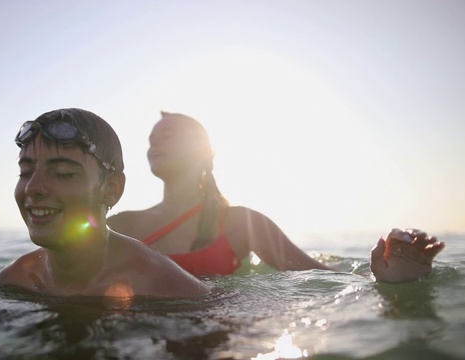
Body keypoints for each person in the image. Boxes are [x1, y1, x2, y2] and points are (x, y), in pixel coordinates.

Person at [0, 108, 210, 298]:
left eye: (62, 173)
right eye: (25, 171)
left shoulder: (163, 285)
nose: (33, 187)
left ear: (111, 190)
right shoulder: (18, 277)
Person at [106, 111, 445, 283]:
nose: (154, 144)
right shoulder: (121, 224)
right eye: (151, 139)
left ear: (200, 151)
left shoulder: (241, 223)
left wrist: (388, 277)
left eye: (167, 134)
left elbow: (320, 276)